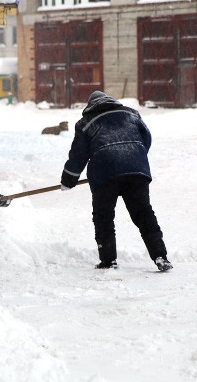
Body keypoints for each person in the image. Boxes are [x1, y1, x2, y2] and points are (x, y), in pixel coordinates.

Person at [60, 91, 172, 272]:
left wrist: (69, 179)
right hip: (136, 171)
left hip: (105, 173)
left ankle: (108, 261)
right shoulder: (131, 114)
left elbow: (78, 156)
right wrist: (134, 158)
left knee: (103, 218)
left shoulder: (86, 122)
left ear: (91, 106)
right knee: (144, 215)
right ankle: (161, 256)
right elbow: (146, 138)